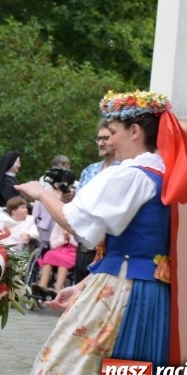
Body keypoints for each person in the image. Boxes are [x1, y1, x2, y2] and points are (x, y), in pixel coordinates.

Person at [15, 90, 187, 375]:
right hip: (145, 289)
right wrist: (82, 287)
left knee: (69, 372)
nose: (109, 141)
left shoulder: (131, 175)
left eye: (113, 133)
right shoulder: (155, 172)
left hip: (125, 291)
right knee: (128, 371)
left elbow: (75, 222)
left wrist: (41, 193)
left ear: (134, 131)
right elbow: (131, 247)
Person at [72, 119, 118, 283]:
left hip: (105, 252)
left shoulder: (124, 170)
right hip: (82, 249)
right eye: (98, 138)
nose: (100, 143)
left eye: (105, 138)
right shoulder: (90, 170)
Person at [31, 154, 74, 242]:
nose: (65, 168)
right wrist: (33, 221)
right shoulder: (44, 179)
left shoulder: (72, 182)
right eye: (62, 165)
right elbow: (38, 203)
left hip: (61, 224)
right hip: (44, 223)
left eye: (67, 165)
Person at [31, 222, 77, 298]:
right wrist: (63, 238)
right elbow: (52, 243)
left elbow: (80, 243)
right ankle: (43, 284)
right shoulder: (58, 224)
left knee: (63, 260)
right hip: (59, 249)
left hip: (74, 252)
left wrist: (70, 236)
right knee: (49, 254)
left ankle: (58, 288)